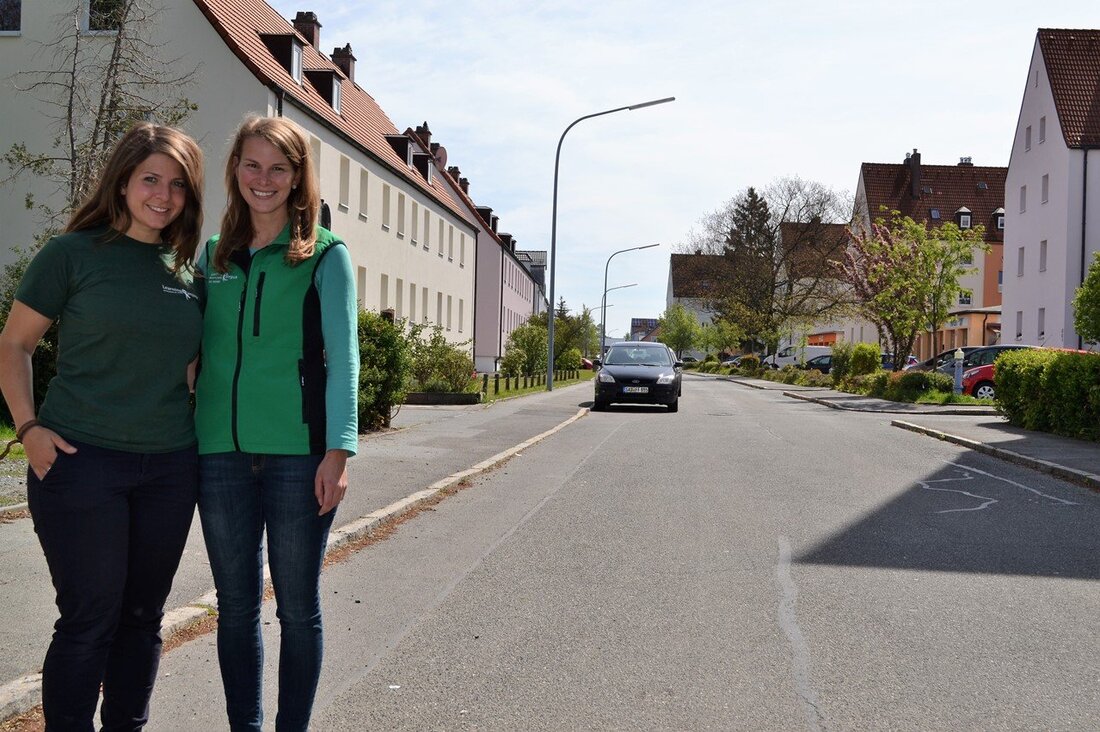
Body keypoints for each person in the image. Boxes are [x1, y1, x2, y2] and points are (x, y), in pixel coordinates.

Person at [0, 122, 205, 731]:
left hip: (170, 468)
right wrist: (29, 427)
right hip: (80, 463)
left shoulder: (189, 273)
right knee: (90, 617)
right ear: (122, 180)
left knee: (142, 618)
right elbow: (14, 346)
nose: (163, 196)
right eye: (150, 179)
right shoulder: (71, 255)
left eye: (178, 185)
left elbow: (193, 370)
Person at [194, 115, 358, 732]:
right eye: (252, 165)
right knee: (234, 609)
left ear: (297, 180)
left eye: (278, 168)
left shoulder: (324, 255)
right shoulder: (213, 256)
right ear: (236, 171)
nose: (263, 179)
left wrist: (338, 452)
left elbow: (344, 358)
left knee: (296, 609)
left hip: (300, 458)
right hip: (220, 455)